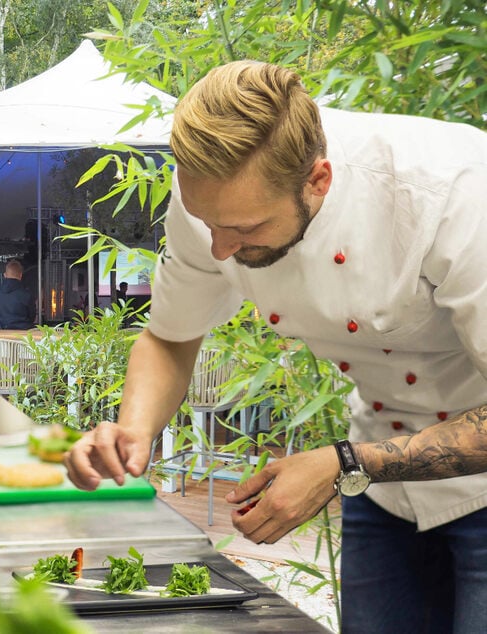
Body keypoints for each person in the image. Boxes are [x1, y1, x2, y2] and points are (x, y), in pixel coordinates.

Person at [64, 60, 487, 633]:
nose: (219, 249)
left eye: (245, 229)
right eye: (207, 222)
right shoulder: (212, 199)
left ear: (318, 180)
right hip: (383, 482)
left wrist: (343, 464)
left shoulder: (454, 193)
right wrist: (134, 432)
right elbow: (169, 335)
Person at [0, 259, 35, 329]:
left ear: (5, 275)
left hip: (1, 333)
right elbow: (32, 317)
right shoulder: (27, 295)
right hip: (23, 333)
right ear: (21, 275)